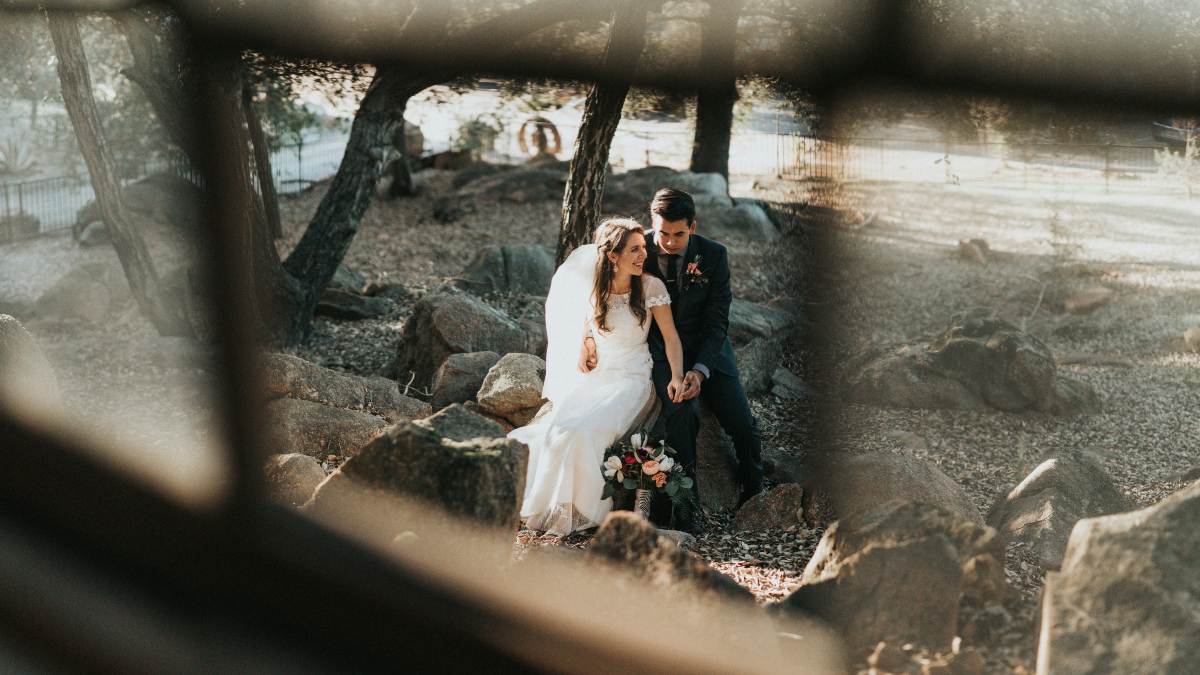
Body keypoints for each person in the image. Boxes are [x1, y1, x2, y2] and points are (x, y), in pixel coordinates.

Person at [508, 218, 685, 537]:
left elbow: (671, 338)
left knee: (586, 432)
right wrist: (587, 342)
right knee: (556, 432)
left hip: (632, 378)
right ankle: (547, 510)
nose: (643, 254)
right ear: (613, 256)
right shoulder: (595, 289)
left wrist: (676, 376)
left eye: (643, 247)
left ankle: (585, 513)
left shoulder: (650, 287)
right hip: (598, 377)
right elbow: (586, 324)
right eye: (634, 249)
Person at [640, 187, 764, 527]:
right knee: (682, 414)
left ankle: (755, 489)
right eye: (662, 232)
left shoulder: (714, 255)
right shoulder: (638, 251)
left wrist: (700, 370)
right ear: (653, 223)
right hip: (663, 352)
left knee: (743, 425)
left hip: (711, 354)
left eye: (678, 234)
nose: (668, 241)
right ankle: (685, 505)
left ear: (693, 226)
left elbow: (717, 321)